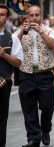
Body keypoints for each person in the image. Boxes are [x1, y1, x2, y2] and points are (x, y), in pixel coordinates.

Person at [16, 5, 54, 147]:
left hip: (45, 74)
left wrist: (41, 32)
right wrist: (22, 32)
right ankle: (33, 139)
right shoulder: (21, 30)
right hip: (26, 74)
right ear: (27, 16)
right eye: (31, 15)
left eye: (37, 15)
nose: (34, 18)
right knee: (29, 109)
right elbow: (13, 46)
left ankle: (45, 129)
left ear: (41, 15)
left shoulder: (48, 30)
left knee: (48, 107)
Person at [0, 4, 23, 147]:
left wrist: (3, 55)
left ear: (8, 18)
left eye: (2, 14)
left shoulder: (12, 38)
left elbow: (18, 62)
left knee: (1, 119)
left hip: (3, 83)